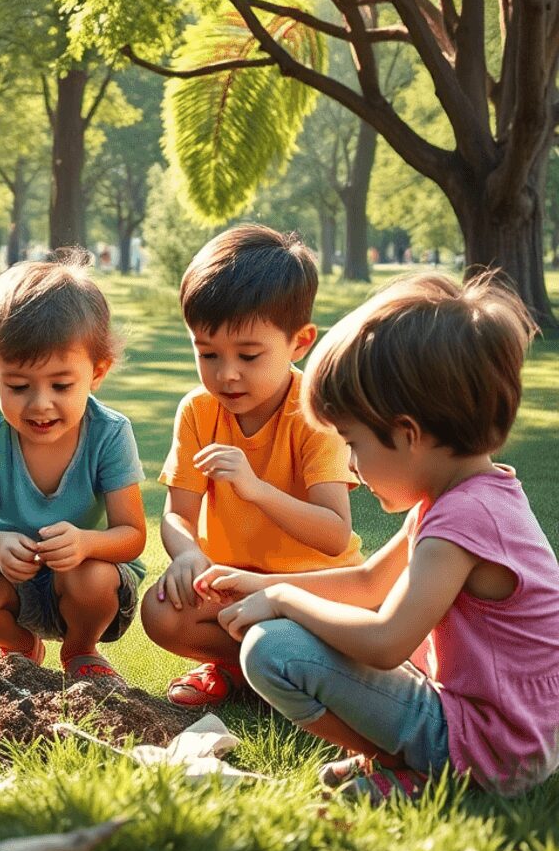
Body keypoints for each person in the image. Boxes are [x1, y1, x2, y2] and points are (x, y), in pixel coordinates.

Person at [202, 272, 559, 804]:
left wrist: (282, 598)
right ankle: (409, 760)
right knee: (288, 635)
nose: (350, 463)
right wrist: (260, 584)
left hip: (494, 748)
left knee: (273, 649)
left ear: (408, 434)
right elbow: (370, 582)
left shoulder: (464, 521)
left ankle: (429, 773)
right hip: (500, 729)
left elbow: (388, 642)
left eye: (353, 442)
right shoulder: (469, 499)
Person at [140, 224, 363, 707]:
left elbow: (334, 535)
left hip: (312, 591)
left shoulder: (315, 414)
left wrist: (256, 488)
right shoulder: (198, 411)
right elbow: (177, 513)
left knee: (310, 630)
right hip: (237, 586)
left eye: (248, 354)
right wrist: (186, 554)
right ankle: (241, 673)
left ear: (299, 342)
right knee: (162, 611)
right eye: (208, 354)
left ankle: (284, 669)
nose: (227, 373)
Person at [0, 254, 147, 688]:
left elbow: (132, 537)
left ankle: (80, 650)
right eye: (17, 386)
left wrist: (86, 542)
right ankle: (19, 647)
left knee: (88, 575)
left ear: (98, 372)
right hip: (9, 579)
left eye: (61, 385)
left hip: (84, 584)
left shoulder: (109, 433)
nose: (39, 404)